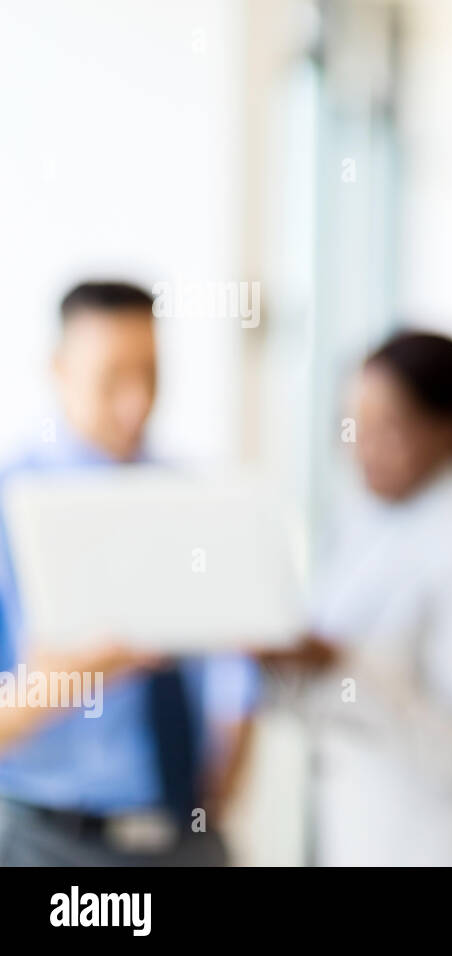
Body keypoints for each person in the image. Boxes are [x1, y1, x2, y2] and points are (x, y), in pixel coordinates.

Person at [0, 281, 258, 865]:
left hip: (187, 836)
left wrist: (225, 778)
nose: (136, 402)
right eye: (113, 378)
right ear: (59, 369)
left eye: (152, 375)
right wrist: (72, 678)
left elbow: (238, 673)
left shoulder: (192, 497)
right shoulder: (12, 504)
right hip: (52, 846)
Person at [265, 330, 452, 865]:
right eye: (352, 426)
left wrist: (340, 665)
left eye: (388, 428)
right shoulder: (365, 521)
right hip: (351, 829)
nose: (361, 448)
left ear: (450, 431)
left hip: (425, 840)